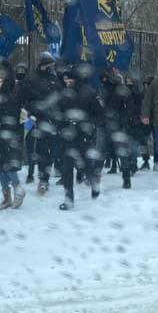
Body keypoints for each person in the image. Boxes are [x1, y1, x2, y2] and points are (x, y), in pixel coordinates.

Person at [55, 64, 104, 210]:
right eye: (66, 81)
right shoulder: (64, 94)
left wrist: (87, 123)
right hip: (67, 134)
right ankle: (68, 198)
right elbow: (58, 112)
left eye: (70, 80)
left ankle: (93, 181)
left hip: (83, 134)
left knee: (84, 163)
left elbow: (99, 114)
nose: (67, 83)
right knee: (66, 167)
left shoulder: (89, 93)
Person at [18, 51, 60, 196]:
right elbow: (24, 98)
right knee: (40, 150)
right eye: (49, 64)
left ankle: (45, 178)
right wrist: (34, 110)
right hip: (39, 119)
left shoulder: (55, 78)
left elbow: (59, 96)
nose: (51, 67)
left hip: (53, 119)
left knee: (50, 151)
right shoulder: (32, 78)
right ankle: (40, 178)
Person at [0, 59, 26, 209]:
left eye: (2, 72)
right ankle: (6, 197)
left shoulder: (16, 86)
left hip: (11, 129)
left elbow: (17, 106)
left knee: (8, 162)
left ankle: (18, 188)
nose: (0, 74)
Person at [99, 66, 141, 189]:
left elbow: (129, 108)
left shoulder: (106, 89)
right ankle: (126, 178)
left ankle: (124, 177)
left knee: (104, 151)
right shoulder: (114, 89)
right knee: (119, 152)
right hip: (113, 124)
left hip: (113, 124)